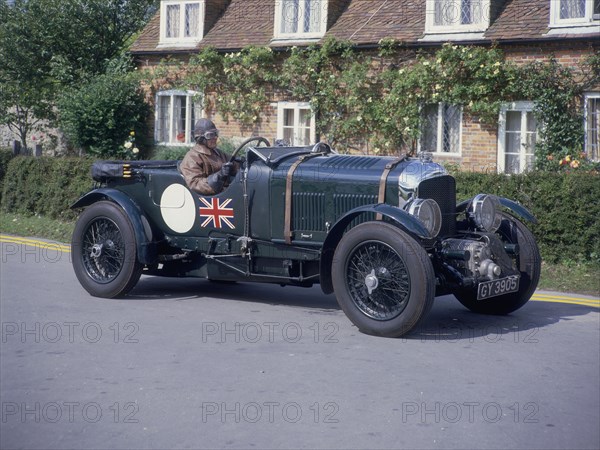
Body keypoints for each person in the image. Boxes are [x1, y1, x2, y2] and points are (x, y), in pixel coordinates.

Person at [180, 119, 236, 195]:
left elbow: (235, 164)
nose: (215, 137)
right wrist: (219, 175)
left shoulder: (218, 153)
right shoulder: (192, 158)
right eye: (210, 135)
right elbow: (196, 184)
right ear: (200, 138)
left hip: (227, 194)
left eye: (216, 133)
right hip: (211, 200)